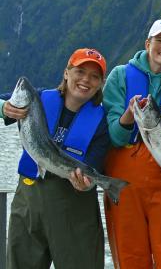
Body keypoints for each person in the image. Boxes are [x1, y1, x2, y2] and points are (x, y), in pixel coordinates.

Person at [1, 48, 110, 269]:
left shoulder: (102, 121)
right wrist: (4, 108)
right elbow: (4, 104)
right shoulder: (36, 99)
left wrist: (86, 185)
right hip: (28, 199)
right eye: (80, 71)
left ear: (101, 83)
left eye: (94, 76)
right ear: (66, 72)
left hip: (74, 204)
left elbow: (95, 163)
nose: (86, 80)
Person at [102, 18, 161, 268]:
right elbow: (113, 135)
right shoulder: (119, 76)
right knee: (131, 256)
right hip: (125, 184)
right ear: (148, 43)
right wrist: (127, 118)